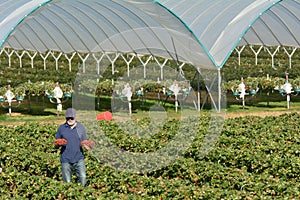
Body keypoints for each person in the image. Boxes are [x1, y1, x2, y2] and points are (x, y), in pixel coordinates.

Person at [54, 108, 92, 186]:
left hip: (79, 158)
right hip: (65, 159)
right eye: (68, 118)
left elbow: (84, 141)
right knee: (67, 182)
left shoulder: (81, 128)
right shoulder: (61, 128)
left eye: (72, 117)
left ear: (76, 117)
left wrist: (87, 146)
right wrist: (58, 144)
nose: (70, 119)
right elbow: (56, 143)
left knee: (83, 177)